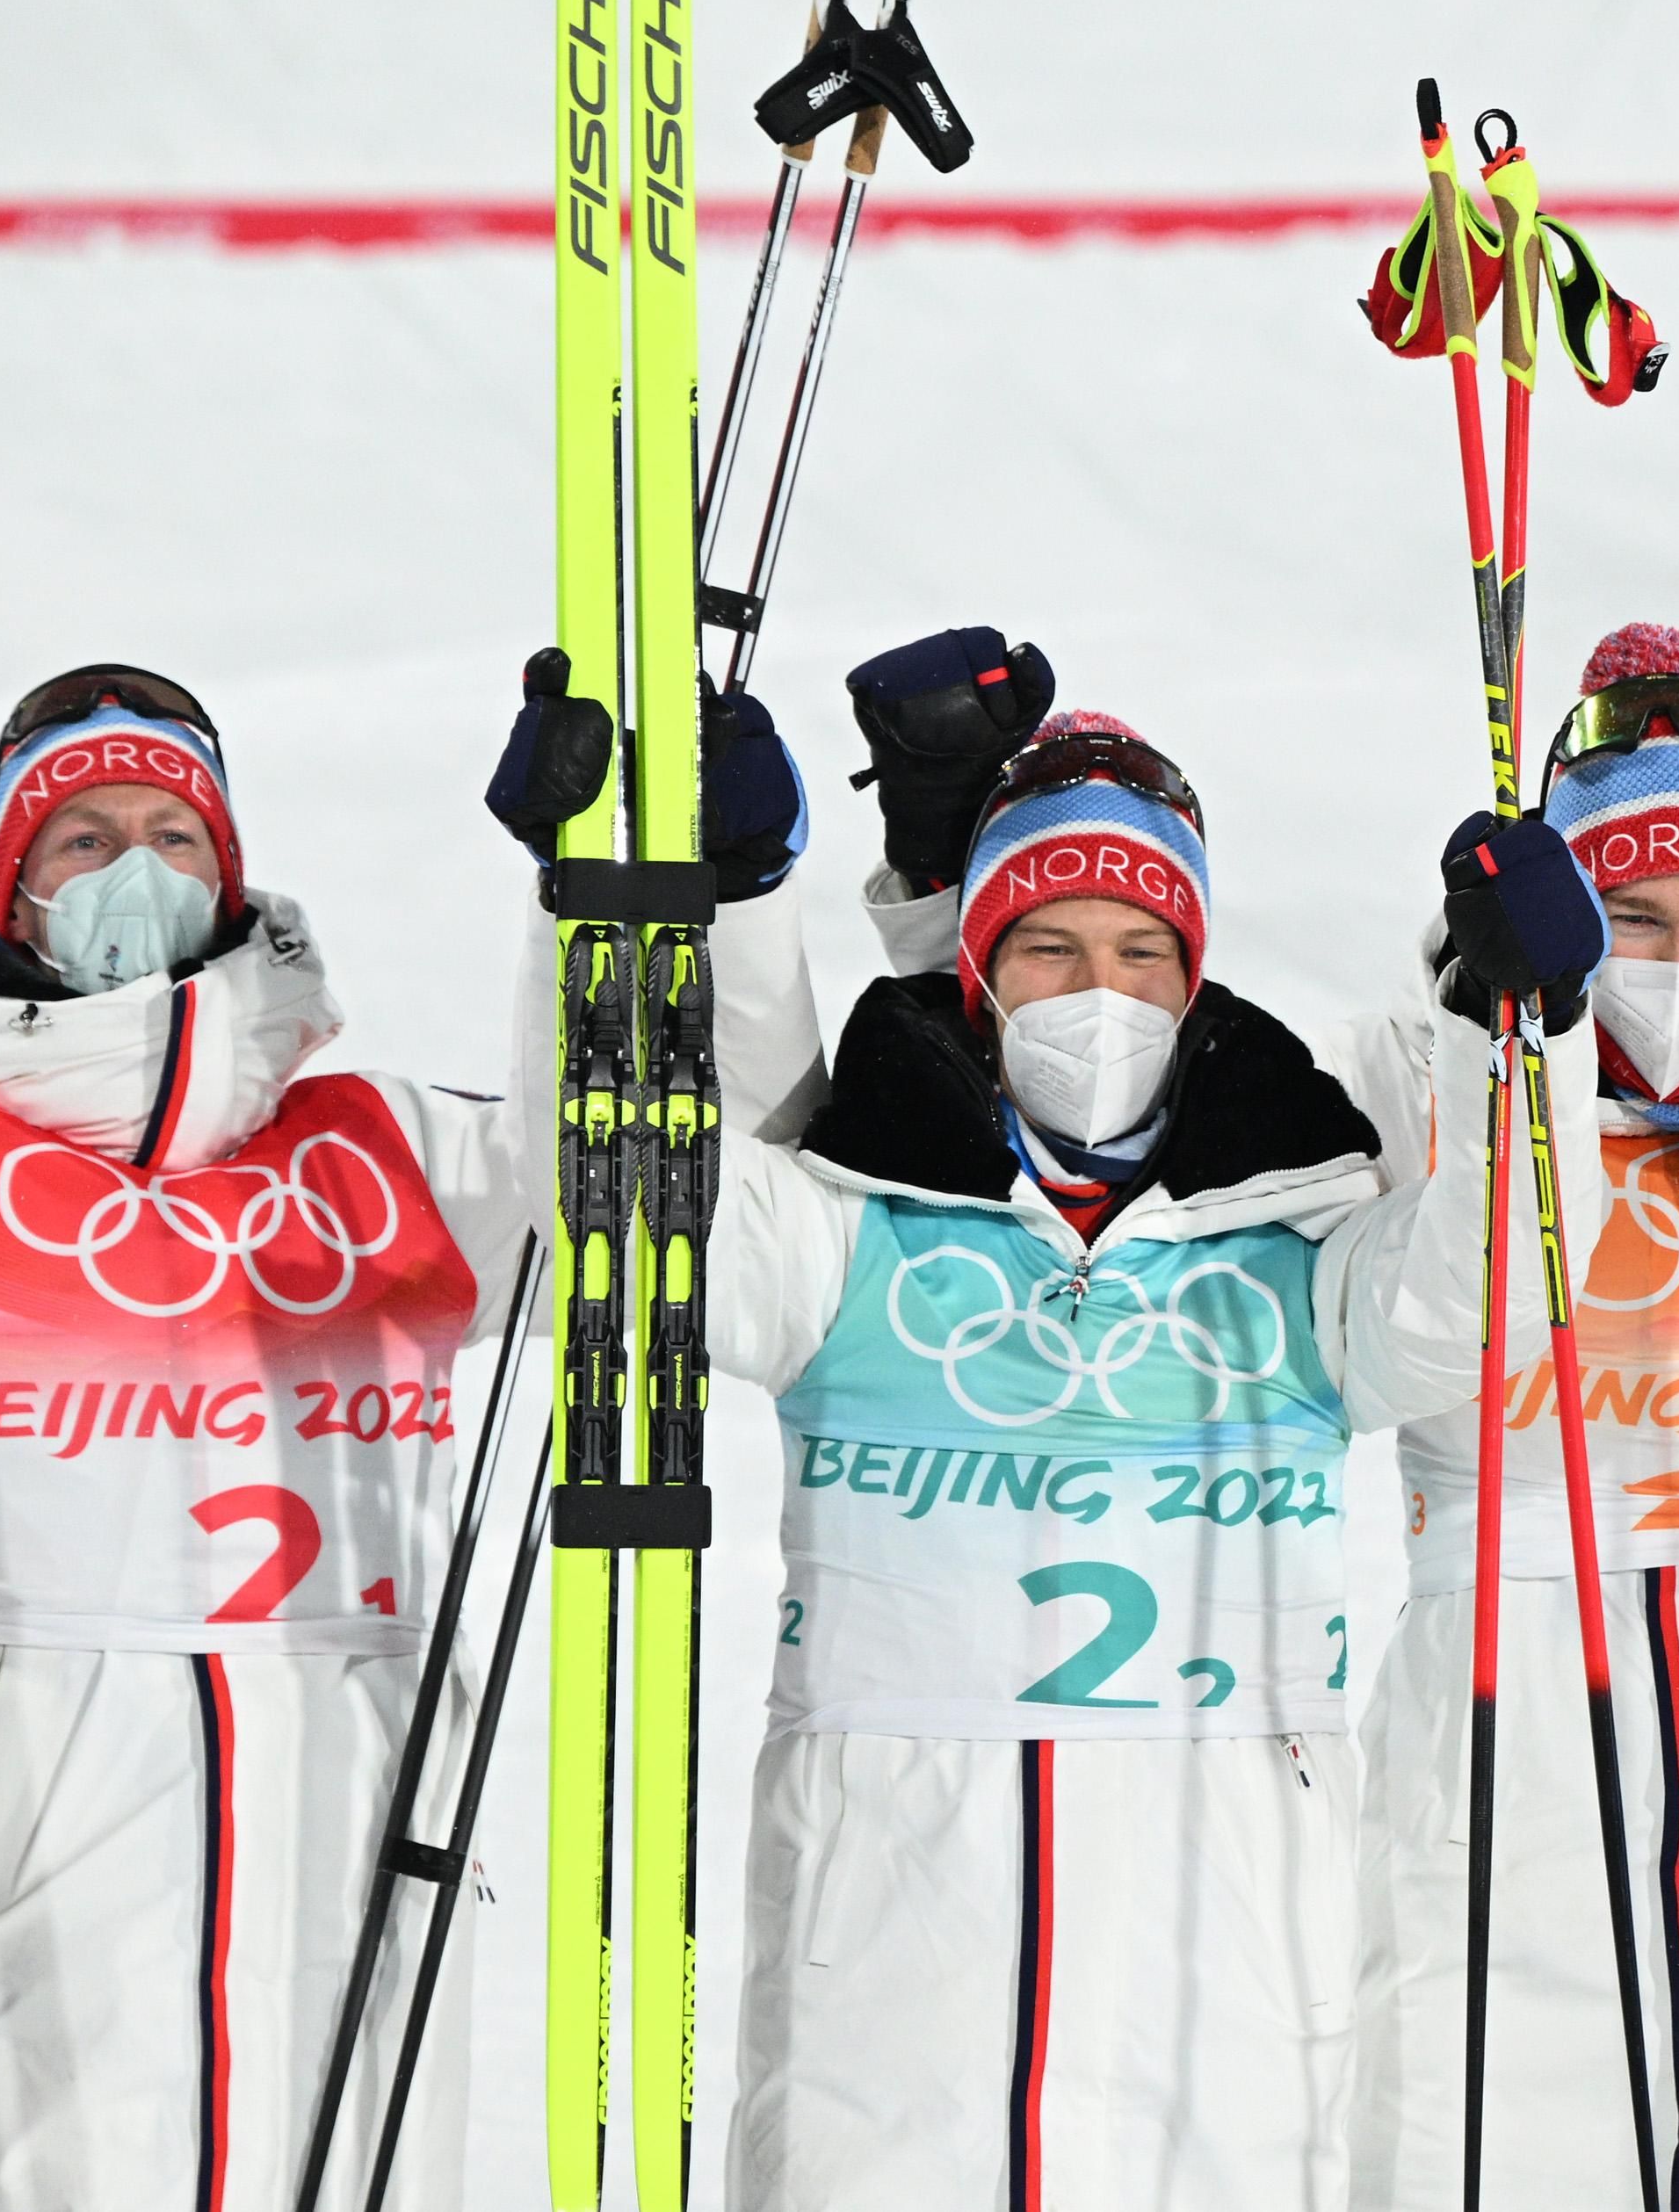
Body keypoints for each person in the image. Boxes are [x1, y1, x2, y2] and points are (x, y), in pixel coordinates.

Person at [0, 586, 802, 2207]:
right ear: (12, 884)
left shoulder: (381, 1149)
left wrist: (659, 898)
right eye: (82, 837)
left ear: (229, 873)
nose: (135, 865)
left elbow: (673, 1190)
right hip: (17, 1815)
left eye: (172, 829)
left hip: (348, 1808)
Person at [660, 625, 1549, 2212]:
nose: (1101, 990)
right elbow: (643, 1200)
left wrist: (1510, 1031)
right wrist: (688, 904)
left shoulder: (1296, 1238)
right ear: (980, 978)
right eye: (1050, 951)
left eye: (1143, 952)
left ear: (1197, 978)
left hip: (1222, 1970)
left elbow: (1490, 1303)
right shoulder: (860, 1224)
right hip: (892, 1982)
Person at [1341, 623, 1679, 2210]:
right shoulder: (1415, 1061)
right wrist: (1502, 1024)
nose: (1678, 958)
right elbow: (1378, 1327)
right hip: (1509, 1684)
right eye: (1631, 917)